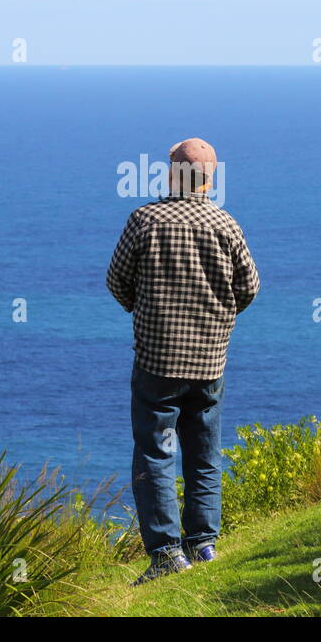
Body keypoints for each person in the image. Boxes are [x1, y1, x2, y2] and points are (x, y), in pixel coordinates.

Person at [106, 138, 260, 585]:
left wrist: (145, 308)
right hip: (210, 361)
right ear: (211, 176)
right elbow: (249, 287)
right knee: (204, 451)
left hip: (157, 359)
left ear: (171, 173)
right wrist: (218, 320)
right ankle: (204, 544)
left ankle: (166, 554)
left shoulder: (145, 220)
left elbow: (117, 281)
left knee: (155, 453)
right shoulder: (226, 224)